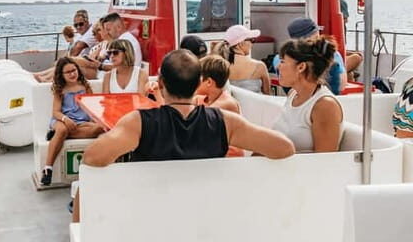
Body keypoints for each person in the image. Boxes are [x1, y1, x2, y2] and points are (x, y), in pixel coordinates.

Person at [82, 49, 294, 166]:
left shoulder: (138, 122)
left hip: (153, 210)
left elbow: (92, 157)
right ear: (198, 82)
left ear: (161, 82)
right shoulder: (225, 121)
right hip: (206, 210)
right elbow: (284, 147)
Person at [273, 36, 344, 153]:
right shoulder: (293, 94)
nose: (278, 67)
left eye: (282, 61)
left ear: (301, 67)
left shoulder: (325, 106)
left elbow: (325, 159)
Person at [41, 57, 104, 186]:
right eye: (68, 72)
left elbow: (90, 107)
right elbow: (56, 112)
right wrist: (65, 119)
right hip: (62, 120)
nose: (72, 74)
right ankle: (48, 169)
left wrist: (94, 122)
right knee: (62, 129)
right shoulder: (60, 89)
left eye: (73, 70)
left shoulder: (85, 86)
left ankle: (59, 136)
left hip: (80, 122)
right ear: (62, 75)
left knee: (99, 128)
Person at [272, 17, 347, 95]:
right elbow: (342, 84)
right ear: (315, 35)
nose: (279, 67)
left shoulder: (278, 59)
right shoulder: (332, 55)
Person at [213, 25, 270, 94]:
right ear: (241, 43)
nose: (252, 44)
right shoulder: (259, 66)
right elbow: (267, 94)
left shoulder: (219, 66)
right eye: (252, 40)